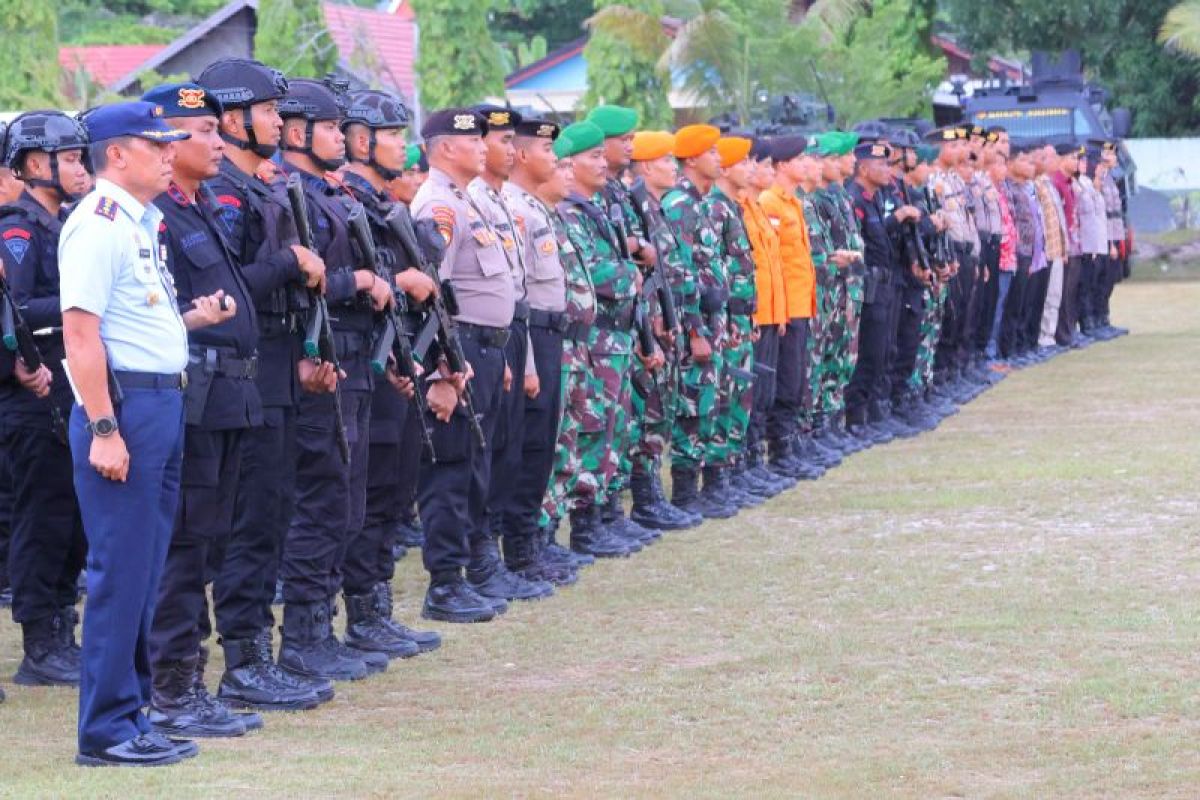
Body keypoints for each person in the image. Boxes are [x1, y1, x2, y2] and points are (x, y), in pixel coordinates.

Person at [137, 83, 276, 738]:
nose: (219, 142)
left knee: (207, 543)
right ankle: (172, 690)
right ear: (167, 140)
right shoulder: (155, 217)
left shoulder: (197, 210)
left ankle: (190, 680)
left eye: (221, 131)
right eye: (204, 132)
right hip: (193, 398)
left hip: (228, 399)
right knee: (184, 548)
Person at [196, 58, 337, 704]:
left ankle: (260, 652)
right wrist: (289, 262)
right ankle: (244, 663)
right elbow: (225, 291)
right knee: (249, 523)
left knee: (274, 513)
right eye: (269, 111)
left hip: (279, 369)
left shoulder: (262, 187)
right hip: (238, 378)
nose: (280, 123)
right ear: (232, 118)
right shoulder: (222, 194)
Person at [62, 101, 197, 767]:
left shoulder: (140, 222)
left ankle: (134, 713)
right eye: (158, 143)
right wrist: (104, 427)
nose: (171, 153)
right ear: (117, 153)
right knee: (119, 571)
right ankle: (107, 731)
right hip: (124, 410)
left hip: (159, 406)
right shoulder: (100, 223)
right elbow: (80, 335)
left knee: (145, 569)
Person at [276, 78, 394, 676]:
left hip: (354, 350)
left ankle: (326, 627)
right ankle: (303, 633)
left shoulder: (329, 192)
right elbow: (304, 283)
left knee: (349, 498)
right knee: (322, 498)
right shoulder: (288, 193)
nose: (341, 138)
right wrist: (360, 284)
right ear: (299, 132)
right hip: (323, 356)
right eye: (328, 128)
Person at [337, 87, 442, 653]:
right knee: (370, 496)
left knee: (392, 495)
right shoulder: (348, 201)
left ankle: (374, 608)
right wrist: (399, 283)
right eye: (393, 135)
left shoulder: (385, 206)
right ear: (360, 141)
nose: (403, 146)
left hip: (396, 365)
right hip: (365, 370)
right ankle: (360, 616)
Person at [410, 107, 514, 621]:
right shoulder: (439, 206)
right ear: (446, 147)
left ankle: (472, 567)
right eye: (473, 140)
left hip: (483, 350)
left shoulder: (464, 200)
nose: (483, 147)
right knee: (449, 468)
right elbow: (431, 293)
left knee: (475, 465)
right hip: (459, 350)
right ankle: (445, 584)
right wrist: (440, 372)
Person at [0, 110, 90, 688]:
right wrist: (79, 305)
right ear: (37, 165)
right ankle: (40, 640)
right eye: (73, 158)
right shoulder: (19, 228)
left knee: (75, 520)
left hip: (67, 389)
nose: (82, 168)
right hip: (31, 395)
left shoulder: (66, 222)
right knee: (44, 519)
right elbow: (14, 306)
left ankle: (63, 625)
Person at [465, 105, 556, 602]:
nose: (496, 148)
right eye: (493, 140)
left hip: (517, 334)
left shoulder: (501, 204)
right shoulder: (474, 201)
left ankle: (507, 551)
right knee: (491, 452)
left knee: (515, 448)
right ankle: (483, 557)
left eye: (498, 140)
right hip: (487, 340)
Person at [556, 120, 645, 556]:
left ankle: (607, 512)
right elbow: (596, 274)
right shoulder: (570, 212)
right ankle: (586, 526)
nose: (601, 163)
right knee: (590, 431)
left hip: (616, 337)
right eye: (592, 157)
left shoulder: (596, 207)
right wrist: (632, 272)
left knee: (615, 428)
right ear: (568, 166)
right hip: (596, 339)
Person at [500, 116, 580, 585]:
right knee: (525, 447)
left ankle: (527, 547)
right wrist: (528, 358)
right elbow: (518, 293)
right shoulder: (513, 208)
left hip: (550, 334)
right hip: (530, 336)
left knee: (540, 446)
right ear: (526, 157)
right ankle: (518, 552)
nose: (554, 159)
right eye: (547, 151)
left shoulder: (534, 207)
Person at [663, 124, 740, 518]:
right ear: (691, 159)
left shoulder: (704, 203)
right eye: (711, 152)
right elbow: (679, 274)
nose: (719, 158)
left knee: (713, 400)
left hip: (715, 319)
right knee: (693, 404)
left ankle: (710, 484)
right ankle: (685, 491)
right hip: (698, 324)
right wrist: (694, 329)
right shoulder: (679, 205)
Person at [627, 130, 703, 529]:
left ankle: (652, 493)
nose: (673, 167)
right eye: (664, 161)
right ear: (644, 166)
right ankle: (644, 498)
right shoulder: (639, 208)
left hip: (666, 321)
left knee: (662, 411)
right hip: (647, 325)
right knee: (647, 413)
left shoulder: (655, 210)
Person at [758, 135, 821, 477]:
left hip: (800, 302)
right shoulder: (771, 202)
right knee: (784, 381)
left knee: (796, 380)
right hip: (785, 306)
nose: (805, 164)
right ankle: (780, 452)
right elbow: (773, 263)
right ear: (783, 165)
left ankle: (790, 444)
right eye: (798, 159)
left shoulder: (792, 202)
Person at [709, 136, 765, 504]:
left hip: (740, 318)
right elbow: (714, 271)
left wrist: (748, 313)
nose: (750, 168)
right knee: (722, 398)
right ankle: (717, 480)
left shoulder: (732, 207)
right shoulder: (715, 209)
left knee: (739, 397)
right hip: (723, 320)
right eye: (742, 162)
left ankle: (732, 472)